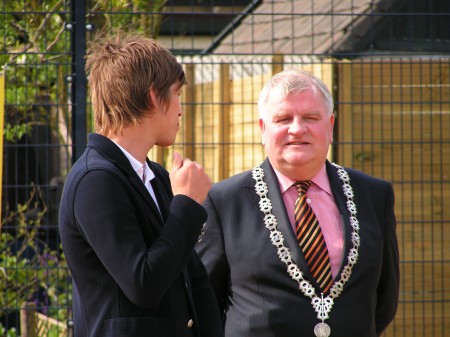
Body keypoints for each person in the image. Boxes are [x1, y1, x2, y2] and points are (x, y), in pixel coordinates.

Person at [195, 69, 399, 337]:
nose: (297, 129)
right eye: (283, 119)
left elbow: (384, 299)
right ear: (262, 129)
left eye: (311, 118)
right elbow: (203, 304)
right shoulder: (223, 202)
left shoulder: (374, 195)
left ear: (330, 126)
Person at [59, 31, 224, 337]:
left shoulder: (157, 176)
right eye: (177, 94)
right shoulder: (95, 181)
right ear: (152, 96)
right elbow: (143, 284)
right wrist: (186, 205)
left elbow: (193, 280)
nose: (179, 109)